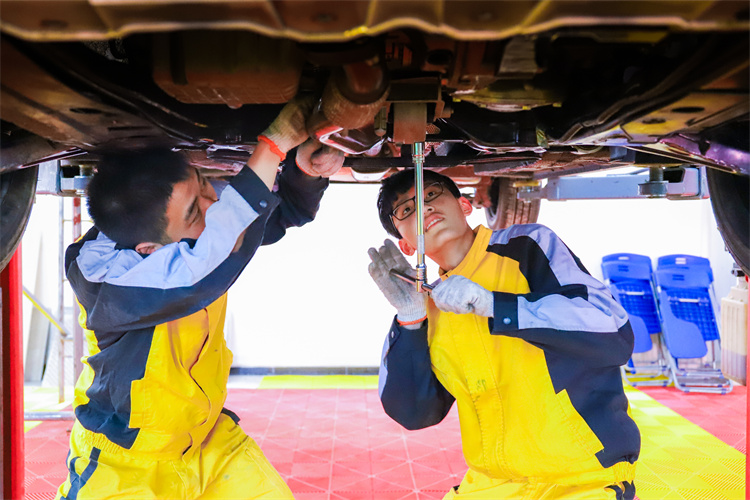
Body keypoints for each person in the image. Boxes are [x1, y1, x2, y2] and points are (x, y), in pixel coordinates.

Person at [55, 97, 344, 500]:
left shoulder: (179, 227)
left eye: (206, 186)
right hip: (127, 464)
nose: (213, 206)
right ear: (148, 250)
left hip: (208, 441)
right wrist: (271, 147)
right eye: (195, 212)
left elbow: (258, 220)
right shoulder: (110, 285)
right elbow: (204, 262)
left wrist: (301, 171)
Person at [367, 169, 640, 500]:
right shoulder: (424, 309)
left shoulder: (528, 247)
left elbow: (612, 330)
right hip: (490, 485)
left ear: (465, 205)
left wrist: (496, 304)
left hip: (582, 476)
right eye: (406, 210)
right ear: (406, 245)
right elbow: (414, 413)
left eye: (432, 195)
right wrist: (409, 321)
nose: (424, 209)